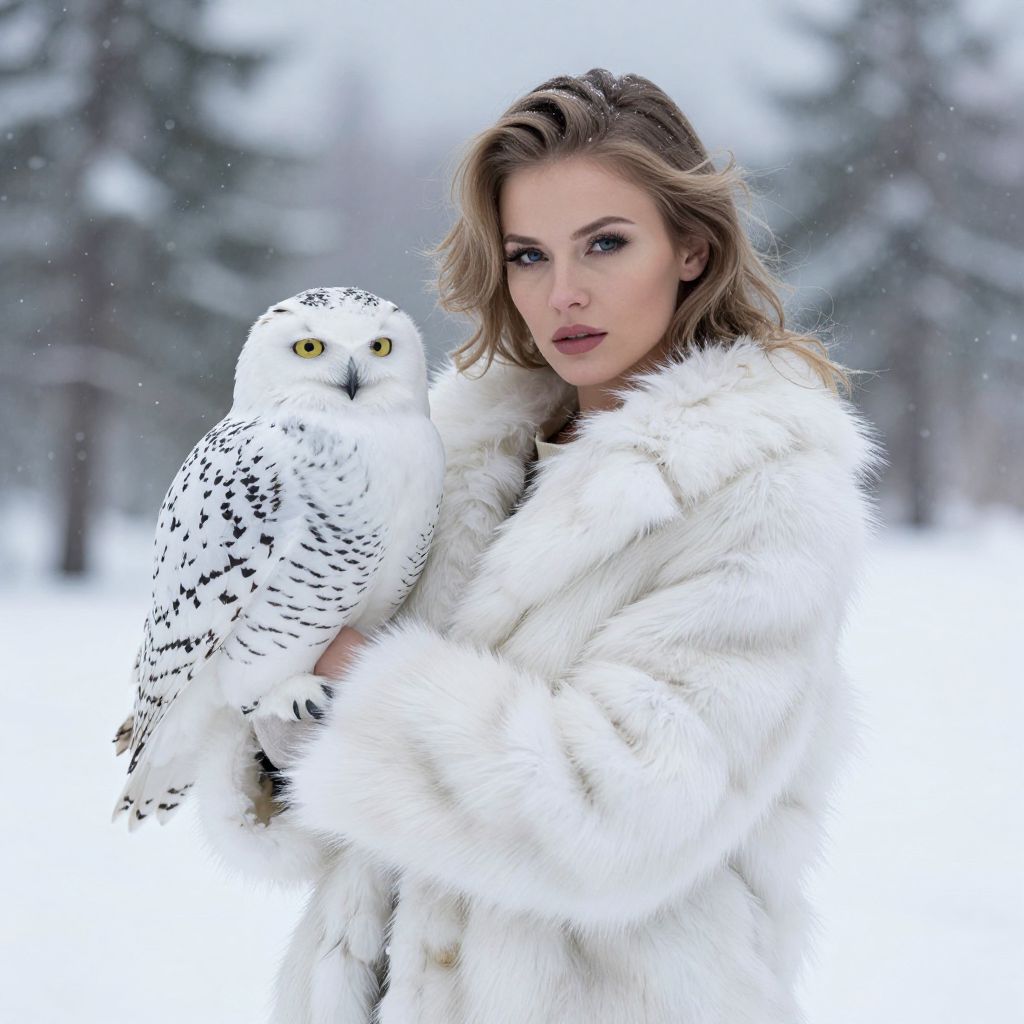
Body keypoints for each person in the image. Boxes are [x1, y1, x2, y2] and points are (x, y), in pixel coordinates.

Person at [197, 68, 882, 1023]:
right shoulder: (449, 454)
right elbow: (318, 817)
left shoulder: (765, 492)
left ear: (690, 248)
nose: (564, 293)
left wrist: (362, 683)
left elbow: (620, 814)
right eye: (528, 255)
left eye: (605, 243)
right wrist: (274, 700)